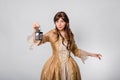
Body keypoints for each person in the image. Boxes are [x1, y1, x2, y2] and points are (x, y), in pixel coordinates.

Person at [28, 11, 102, 80]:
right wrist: (37, 30)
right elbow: (39, 41)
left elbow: (76, 51)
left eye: (62, 21)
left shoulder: (70, 35)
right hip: (55, 66)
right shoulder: (52, 33)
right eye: (57, 21)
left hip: (69, 67)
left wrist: (92, 55)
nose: (59, 24)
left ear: (66, 22)